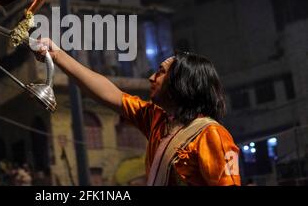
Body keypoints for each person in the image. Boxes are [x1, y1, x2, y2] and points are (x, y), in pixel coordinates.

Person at [33, 38, 241, 186]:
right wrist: (57, 55)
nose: (151, 77)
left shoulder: (212, 135)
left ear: (182, 82)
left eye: (160, 73)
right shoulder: (158, 119)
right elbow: (110, 94)